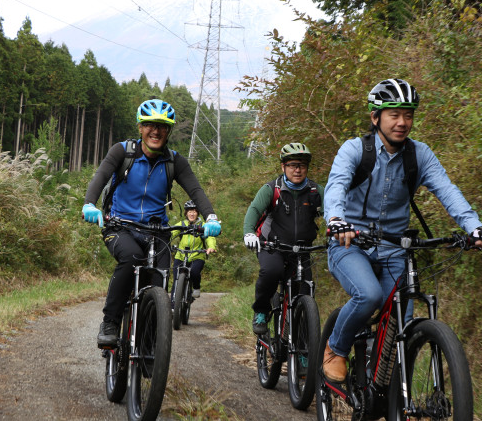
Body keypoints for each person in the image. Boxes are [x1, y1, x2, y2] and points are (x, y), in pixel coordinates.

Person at [321, 78, 482, 382]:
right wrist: (336, 220)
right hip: (350, 244)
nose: (402, 123)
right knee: (369, 295)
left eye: (409, 115)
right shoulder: (354, 150)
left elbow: (447, 190)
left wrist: (474, 227)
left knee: (401, 321)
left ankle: (391, 394)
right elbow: (336, 186)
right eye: (394, 114)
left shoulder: (420, 155)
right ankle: (335, 348)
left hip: (395, 249)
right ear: (376, 117)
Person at [82, 98, 221, 348]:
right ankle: (110, 322)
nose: (155, 131)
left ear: (168, 131)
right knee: (132, 257)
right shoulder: (122, 152)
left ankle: (148, 346)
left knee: (159, 284)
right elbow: (100, 176)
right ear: (140, 127)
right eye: (150, 125)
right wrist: (89, 204)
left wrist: (210, 216)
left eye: (162, 126)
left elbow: (196, 191)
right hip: (120, 227)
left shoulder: (174, 161)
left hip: (158, 233)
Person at [242, 143, 324, 334]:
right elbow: (254, 211)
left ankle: (304, 347)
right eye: (293, 165)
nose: (298, 169)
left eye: (302, 165)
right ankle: (261, 311)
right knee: (271, 271)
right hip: (273, 247)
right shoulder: (272, 189)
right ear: (283, 167)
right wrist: (248, 232)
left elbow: (332, 213)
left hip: (302, 251)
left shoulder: (315, 192)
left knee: (306, 292)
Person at [170, 200, 217, 300]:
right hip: (181, 255)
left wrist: (211, 246)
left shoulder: (203, 225)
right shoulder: (182, 224)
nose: (192, 213)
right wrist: (164, 241)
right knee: (176, 280)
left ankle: (196, 287)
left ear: (198, 213)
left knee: (195, 272)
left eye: (194, 211)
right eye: (190, 211)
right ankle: (173, 306)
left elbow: (209, 237)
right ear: (186, 213)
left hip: (197, 255)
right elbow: (171, 233)